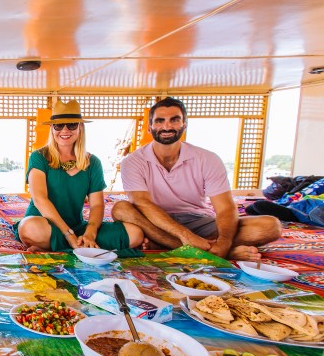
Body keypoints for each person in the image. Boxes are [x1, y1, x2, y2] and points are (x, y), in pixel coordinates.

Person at [112, 97, 281, 261]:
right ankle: (202, 251)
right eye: (159, 121)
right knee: (121, 209)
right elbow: (143, 204)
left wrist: (223, 244)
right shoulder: (133, 161)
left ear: (184, 125)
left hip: (198, 221)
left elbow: (225, 208)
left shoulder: (207, 158)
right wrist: (185, 235)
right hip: (155, 223)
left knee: (270, 226)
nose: (167, 126)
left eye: (174, 120)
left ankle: (182, 248)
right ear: (149, 127)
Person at [14, 99, 143, 252]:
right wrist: (68, 234)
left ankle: (59, 246)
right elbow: (40, 199)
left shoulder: (93, 162)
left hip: (78, 228)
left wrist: (90, 233)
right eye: (59, 125)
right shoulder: (39, 157)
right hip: (44, 223)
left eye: (72, 125)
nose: (65, 130)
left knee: (135, 234)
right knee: (28, 228)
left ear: (80, 128)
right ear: (52, 129)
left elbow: (96, 205)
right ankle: (74, 246)